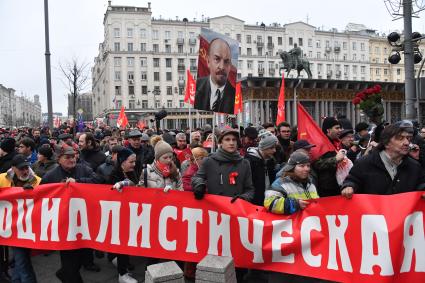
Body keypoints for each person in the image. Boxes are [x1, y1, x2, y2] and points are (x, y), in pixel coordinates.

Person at [192, 128, 254, 282]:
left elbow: (250, 189)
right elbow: (197, 177)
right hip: (215, 216)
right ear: (220, 142)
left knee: (237, 254)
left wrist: (242, 199)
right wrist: (199, 185)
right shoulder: (209, 161)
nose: (231, 143)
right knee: (217, 251)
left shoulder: (244, 163)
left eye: (234, 140)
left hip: (236, 215)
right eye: (227, 140)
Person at [41, 144, 102, 283]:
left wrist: (79, 183)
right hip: (64, 225)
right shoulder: (51, 176)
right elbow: (41, 195)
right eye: (67, 157)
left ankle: (64, 273)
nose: (72, 159)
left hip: (83, 221)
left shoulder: (83, 169)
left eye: (73, 156)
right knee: (70, 260)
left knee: (81, 256)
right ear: (59, 159)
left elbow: (98, 180)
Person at [264, 151, 320, 283]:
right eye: (301, 166)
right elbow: (270, 203)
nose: (306, 169)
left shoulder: (311, 184)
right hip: (287, 239)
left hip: (306, 238)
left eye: (308, 165)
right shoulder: (280, 183)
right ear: (292, 167)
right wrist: (295, 204)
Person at [341, 121, 425, 197]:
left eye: (408, 139)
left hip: (403, 212)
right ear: (386, 143)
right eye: (400, 138)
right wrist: (349, 186)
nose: (406, 143)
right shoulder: (365, 163)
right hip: (374, 212)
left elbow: (421, 183)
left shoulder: (414, 166)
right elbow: (353, 179)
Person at [0, 154, 41, 283]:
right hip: (6, 226)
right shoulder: (1, 179)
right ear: (13, 168)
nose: (25, 171)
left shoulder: (37, 181)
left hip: (25, 227)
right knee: (20, 260)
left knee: (22, 260)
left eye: (26, 168)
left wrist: (32, 193)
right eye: (21, 169)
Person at [109, 147, 138, 283]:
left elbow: (136, 187)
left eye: (134, 162)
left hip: (129, 213)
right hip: (117, 216)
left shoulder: (131, 173)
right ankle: (122, 274)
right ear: (122, 162)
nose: (134, 164)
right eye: (131, 162)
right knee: (122, 243)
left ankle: (117, 261)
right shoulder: (112, 175)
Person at [194, 38, 235, 114]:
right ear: (208, 61)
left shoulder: (234, 96)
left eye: (226, 61)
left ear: (230, 65)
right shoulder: (197, 89)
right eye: (217, 59)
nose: (222, 66)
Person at [313, 117, 346, 197]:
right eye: (337, 128)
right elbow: (316, 164)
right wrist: (335, 159)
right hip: (326, 188)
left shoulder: (338, 143)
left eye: (340, 128)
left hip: (339, 184)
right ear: (328, 130)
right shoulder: (320, 144)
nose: (340, 130)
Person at [244, 130, 278, 206]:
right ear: (264, 147)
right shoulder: (249, 161)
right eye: (271, 148)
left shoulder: (271, 160)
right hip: (254, 203)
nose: (274, 150)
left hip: (268, 200)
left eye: (275, 147)